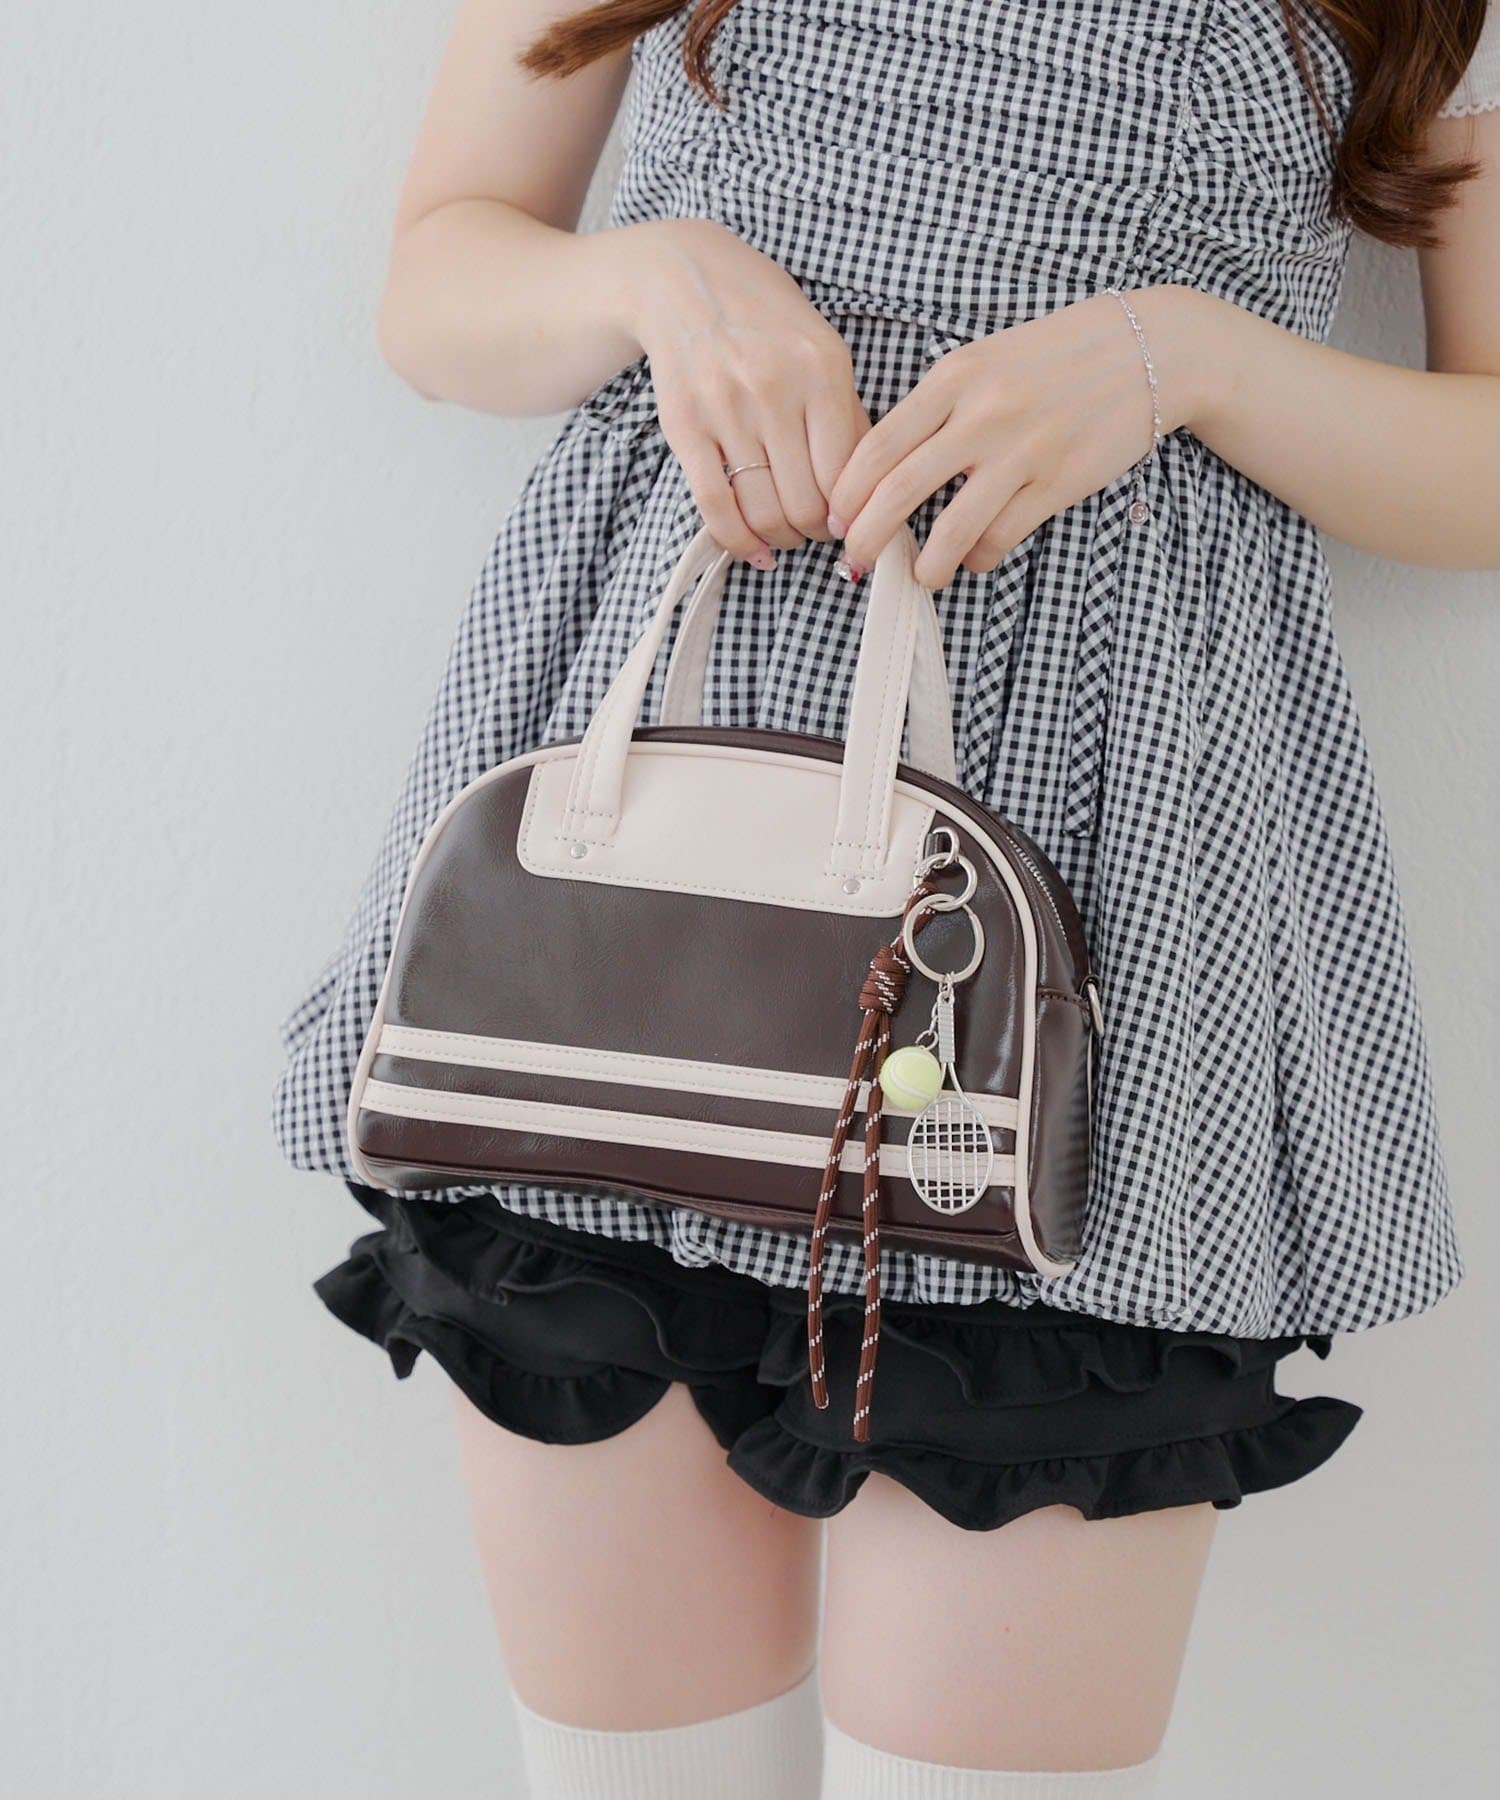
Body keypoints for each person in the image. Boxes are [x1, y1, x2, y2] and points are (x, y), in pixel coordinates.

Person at [276, 2, 1499, 1793]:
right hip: (638, 895)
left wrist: (1191, 361)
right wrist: (656, 281)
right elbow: (437, 284)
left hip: (1120, 895)